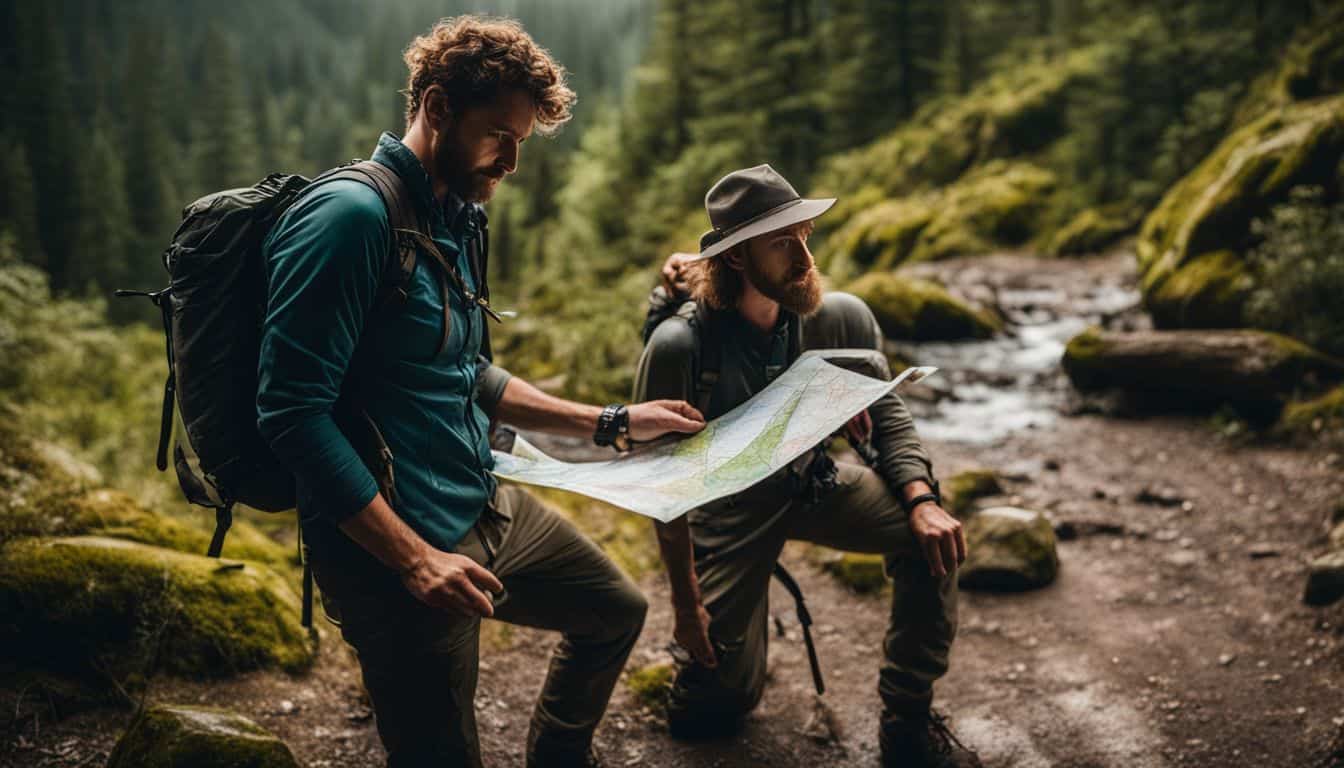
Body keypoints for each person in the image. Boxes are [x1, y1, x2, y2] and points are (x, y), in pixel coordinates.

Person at [256, 16, 703, 768]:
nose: (513, 161)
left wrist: (613, 420)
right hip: (395, 552)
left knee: (614, 612)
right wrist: (413, 561)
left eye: (522, 139)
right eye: (500, 135)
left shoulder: (456, 216)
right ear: (436, 109)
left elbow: (467, 372)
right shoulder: (350, 220)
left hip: (484, 498)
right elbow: (290, 411)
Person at [634, 164, 980, 767]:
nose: (803, 255)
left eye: (805, 233)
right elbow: (663, 486)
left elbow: (889, 415)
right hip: (727, 512)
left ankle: (907, 720)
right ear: (737, 258)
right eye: (780, 242)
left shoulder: (836, 317)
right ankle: (730, 646)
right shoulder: (680, 347)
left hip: (812, 484)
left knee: (931, 539)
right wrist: (687, 608)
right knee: (709, 712)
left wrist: (923, 501)